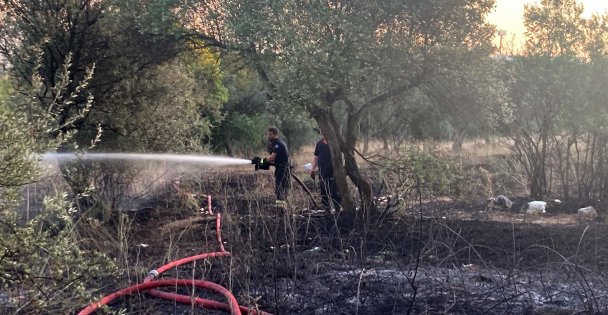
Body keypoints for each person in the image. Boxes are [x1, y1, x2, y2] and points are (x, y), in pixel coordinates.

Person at [310, 129, 341, 212]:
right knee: (324, 193)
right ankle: (327, 211)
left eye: (324, 130)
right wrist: (312, 169)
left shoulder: (334, 142)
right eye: (321, 131)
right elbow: (316, 157)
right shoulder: (319, 144)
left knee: (334, 193)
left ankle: (338, 211)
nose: (323, 132)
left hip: (334, 173)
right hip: (322, 172)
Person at [265, 127, 291, 208]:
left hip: (282, 170)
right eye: (268, 134)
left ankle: (281, 209)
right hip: (282, 170)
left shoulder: (278, 144)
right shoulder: (276, 143)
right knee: (282, 189)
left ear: (275, 135)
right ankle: (284, 208)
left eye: (270, 134)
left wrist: (261, 161)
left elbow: (272, 158)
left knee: (280, 189)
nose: (268, 136)